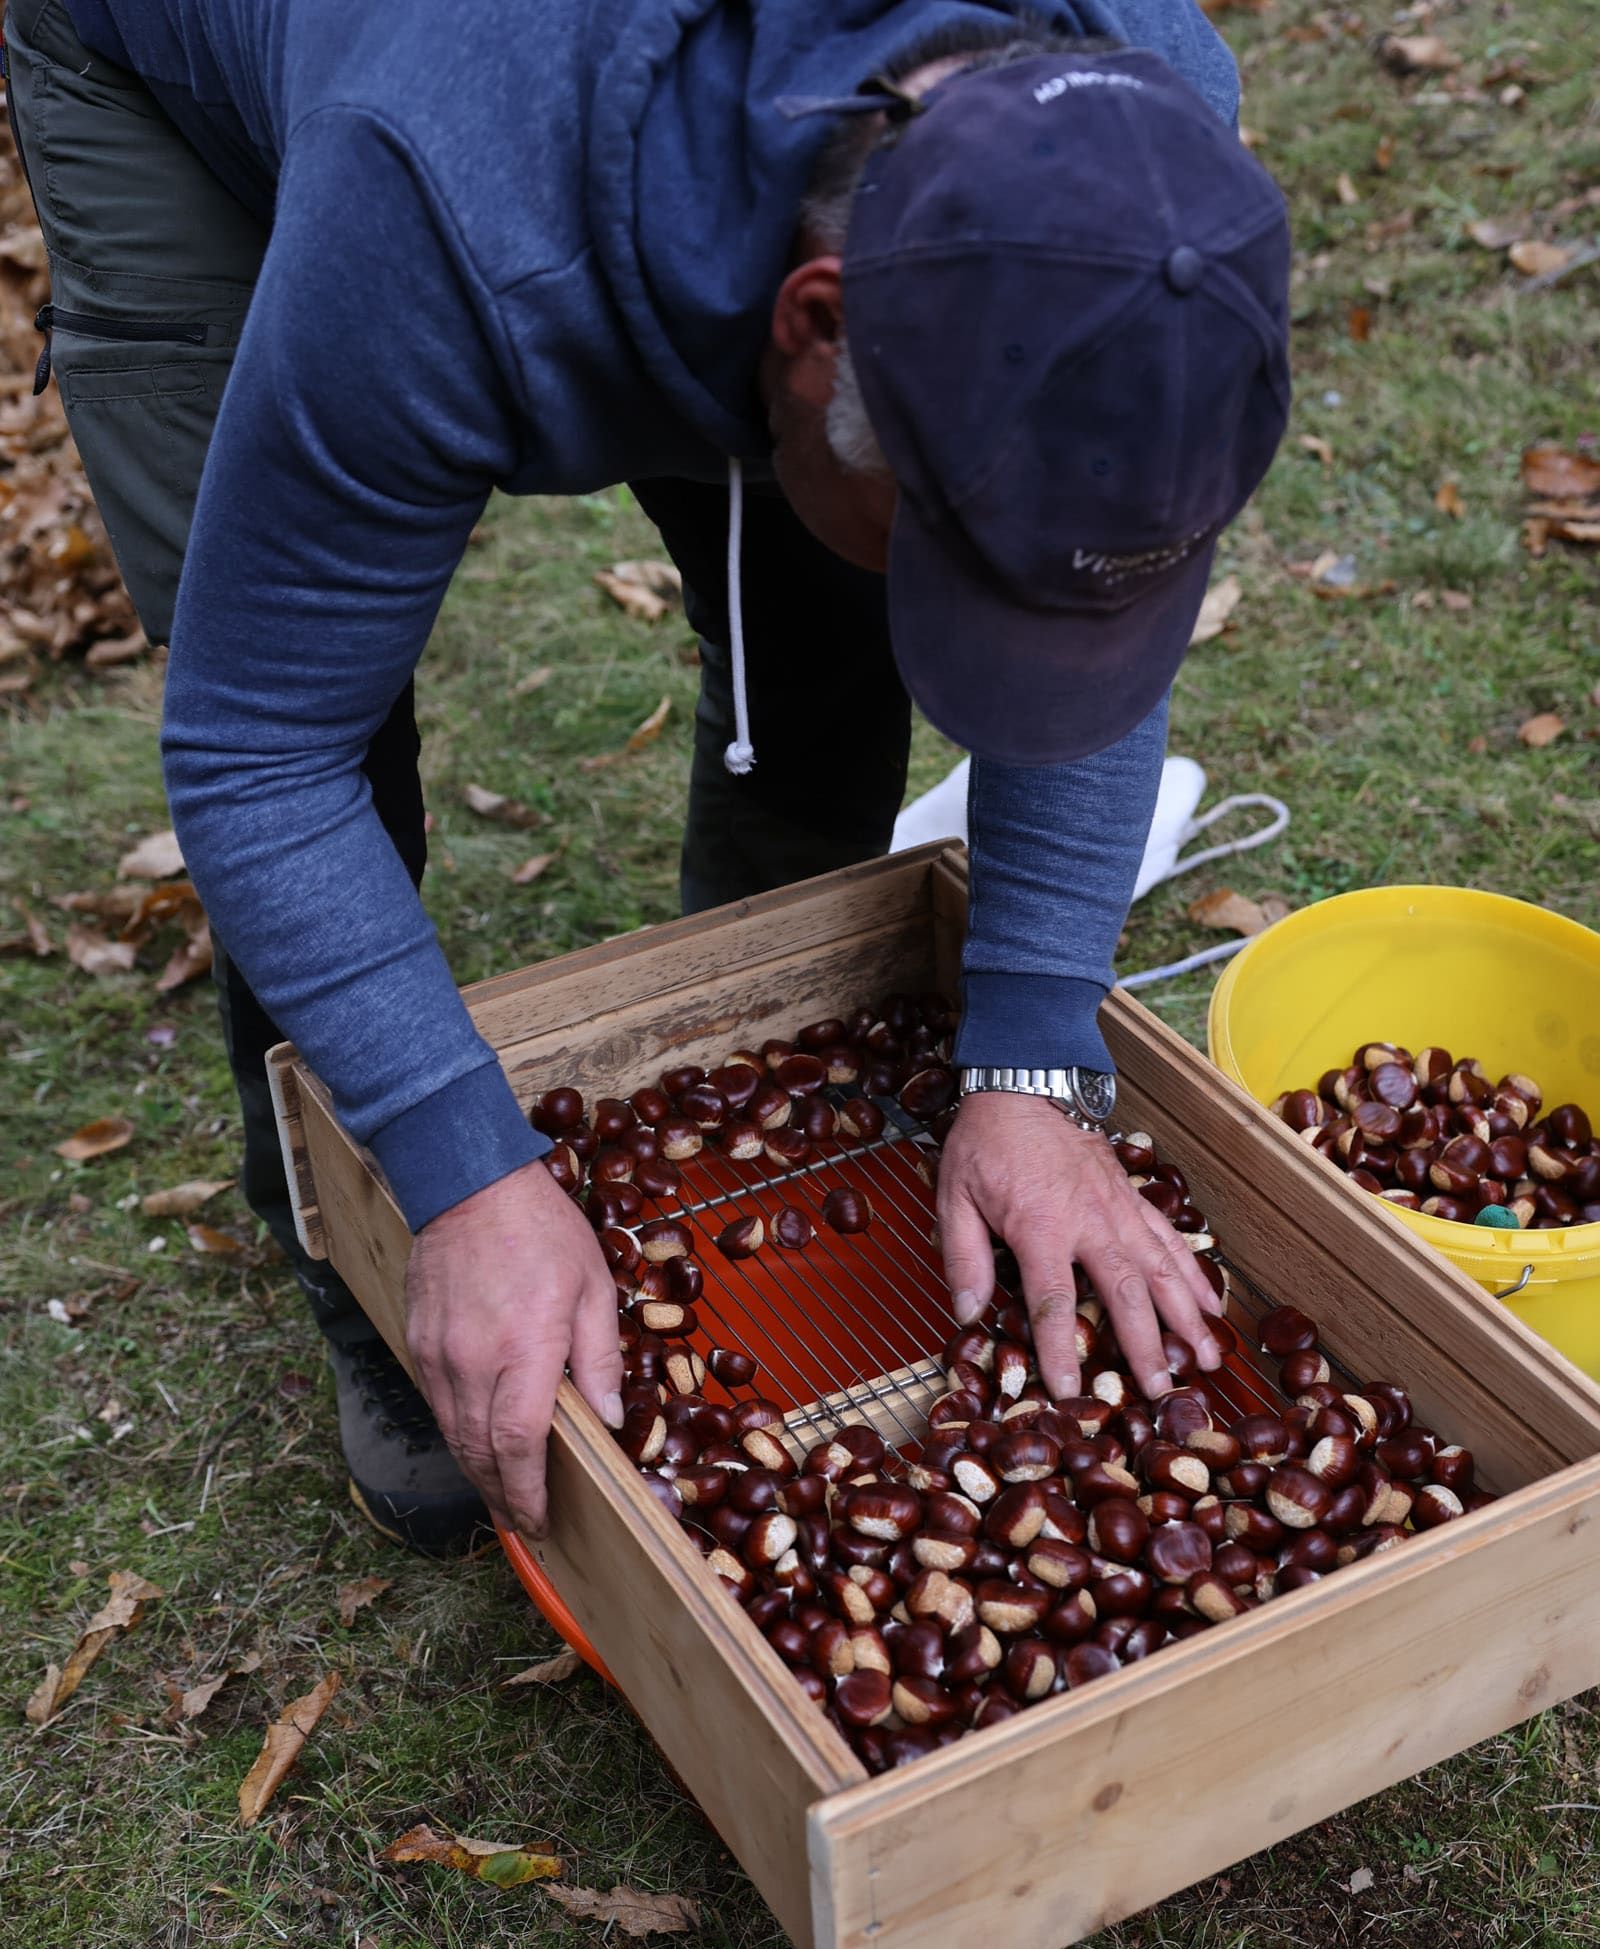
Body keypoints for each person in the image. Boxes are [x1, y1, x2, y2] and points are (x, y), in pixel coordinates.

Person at [4, 0, 1290, 1554]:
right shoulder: (441, 200)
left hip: (662, 180)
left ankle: (794, 1100)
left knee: (834, 619)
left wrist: (1031, 1050)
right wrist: (463, 1176)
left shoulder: (1151, 144)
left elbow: (1082, 597)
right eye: (967, 560)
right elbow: (261, 753)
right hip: (181, 70)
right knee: (329, 715)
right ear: (814, 326)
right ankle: (373, 1255)